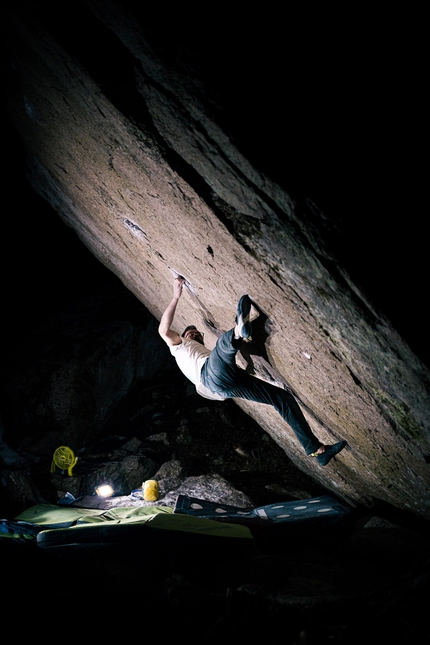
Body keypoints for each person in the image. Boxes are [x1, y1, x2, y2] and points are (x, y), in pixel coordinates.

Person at [158, 277, 346, 466]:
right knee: (222, 346)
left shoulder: (200, 351)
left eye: (197, 333)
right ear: (182, 337)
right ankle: (239, 331)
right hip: (210, 378)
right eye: (190, 333)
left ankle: (316, 450)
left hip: (227, 385)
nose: (195, 334)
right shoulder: (178, 347)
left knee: (282, 398)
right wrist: (176, 296)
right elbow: (164, 330)